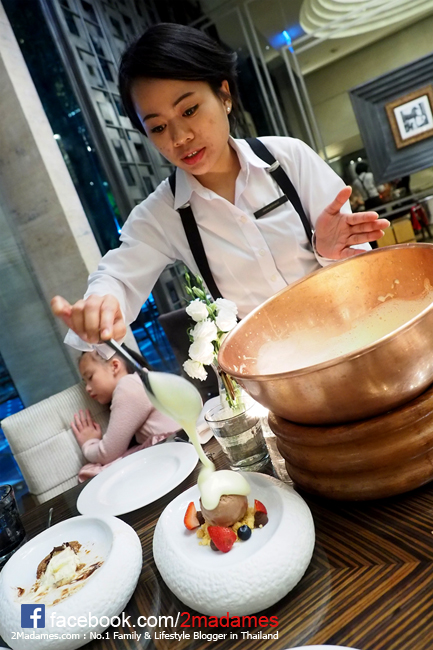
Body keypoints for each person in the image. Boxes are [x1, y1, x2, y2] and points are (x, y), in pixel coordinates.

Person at [51, 23, 390, 347]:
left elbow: (359, 268)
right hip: (273, 369)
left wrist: (330, 254)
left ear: (224, 95)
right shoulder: (164, 213)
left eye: (189, 110)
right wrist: (102, 303)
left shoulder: (288, 159)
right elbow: (119, 274)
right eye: (158, 128)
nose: (179, 137)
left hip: (352, 335)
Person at [72, 348, 179, 481]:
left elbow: (107, 453)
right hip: (177, 447)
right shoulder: (142, 379)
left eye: (90, 377)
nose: (87, 388)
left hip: (173, 449)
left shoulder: (129, 385)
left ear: (114, 366)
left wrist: (88, 443)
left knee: (91, 473)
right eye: (85, 382)